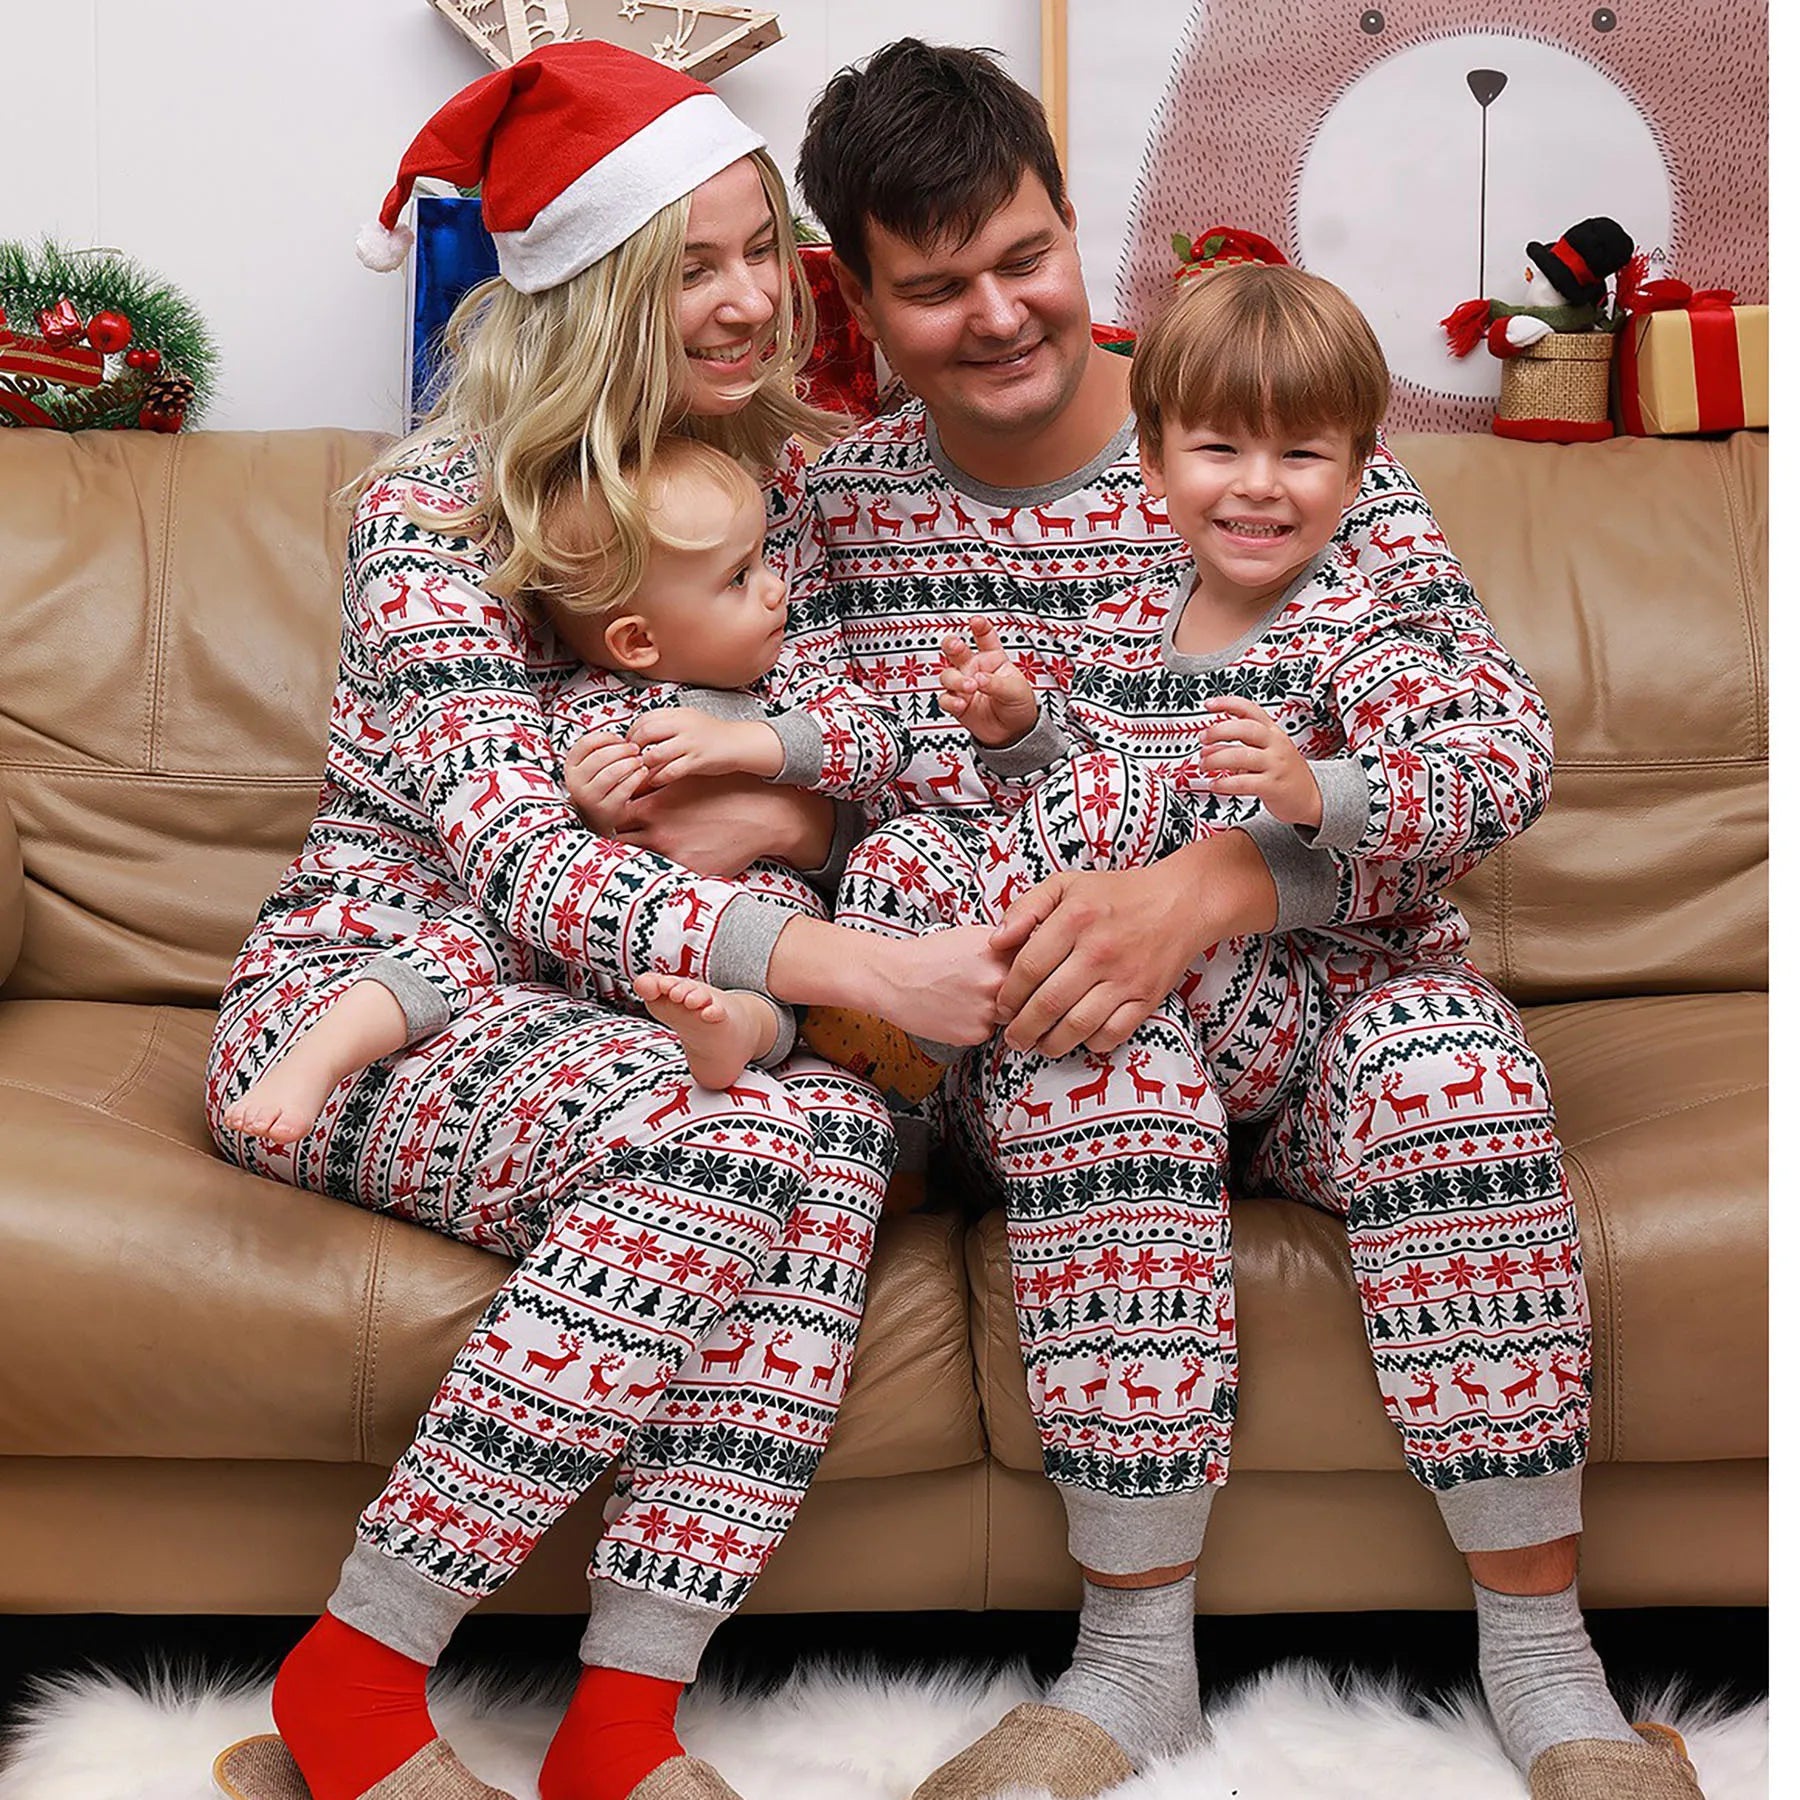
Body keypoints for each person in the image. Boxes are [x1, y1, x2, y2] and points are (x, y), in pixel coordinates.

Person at [775, 39, 1701, 1800]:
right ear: (864, 304)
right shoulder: (834, 510)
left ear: (1074, 228)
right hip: (1060, 1015)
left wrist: (1222, 882)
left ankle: (1548, 1664)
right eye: (938, 287)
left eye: (1026, 257)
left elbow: (1479, 751)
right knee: (1092, 1050)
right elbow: (840, 777)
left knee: (1449, 1060)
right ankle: (1132, 1667)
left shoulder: (1276, 439)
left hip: (1326, 995)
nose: (1000, 314)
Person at [205, 42, 1004, 1800]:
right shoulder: (436, 520)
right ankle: (358, 1674)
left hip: (647, 1010)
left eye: (760, 249)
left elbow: (903, 742)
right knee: (728, 1137)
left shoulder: (780, 493)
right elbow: (523, 862)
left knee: (831, 1141)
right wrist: (857, 962)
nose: (751, 302)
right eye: (690, 266)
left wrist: (789, 806)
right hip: (384, 996)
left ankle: (623, 1726)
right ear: (587, 288)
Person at [221, 436, 915, 1141]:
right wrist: (587, 802)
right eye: (741, 577)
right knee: (470, 938)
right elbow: (535, 840)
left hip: (736, 921)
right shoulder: (579, 705)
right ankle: (324, 1051)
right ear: (637, 641)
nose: (777, 587)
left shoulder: (784, 685)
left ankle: (728, 1033)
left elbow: (877, 739)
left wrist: (750, 745)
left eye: (764, 559)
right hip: (579, 940)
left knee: (773, 988)